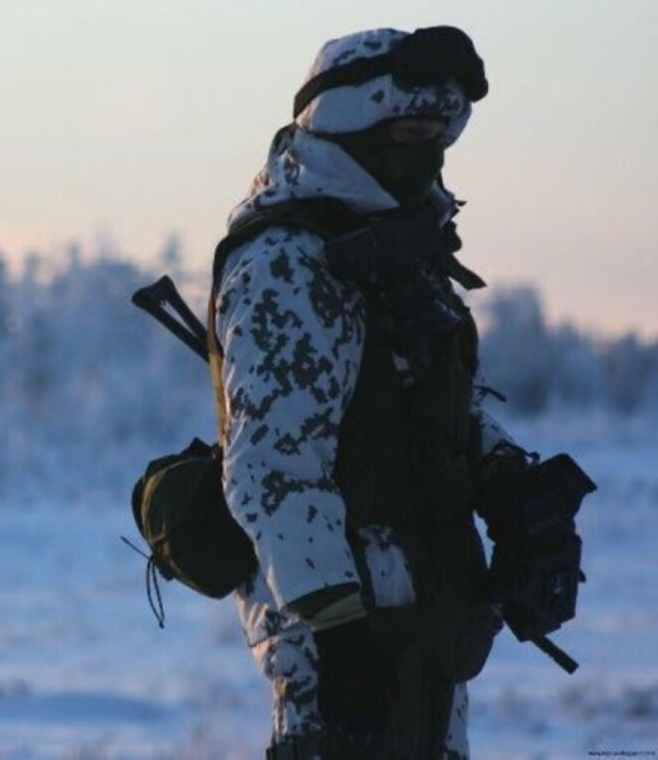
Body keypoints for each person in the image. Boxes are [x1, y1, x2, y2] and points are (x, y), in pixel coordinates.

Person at [209, 27, 590, 759]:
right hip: (339, 649)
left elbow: (443, 402)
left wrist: (513, 487)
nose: (432, 149)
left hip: (429, 624)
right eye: (413, 129)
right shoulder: (288, 264)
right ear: (353, 126)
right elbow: (273, 469)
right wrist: (339, 634)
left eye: (443, 131)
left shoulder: (401, 251)